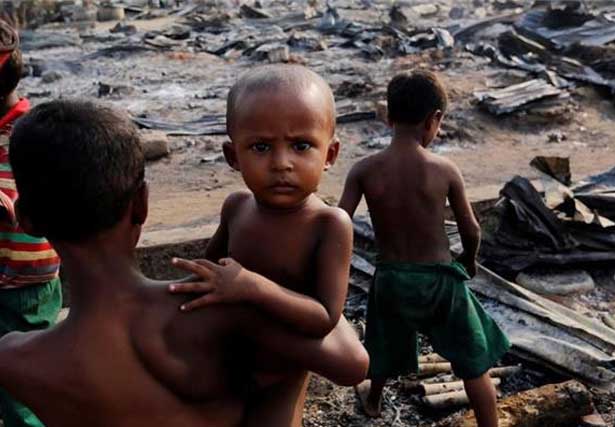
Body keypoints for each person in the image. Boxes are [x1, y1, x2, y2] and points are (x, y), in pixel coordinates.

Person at [0, 99, 368, 427]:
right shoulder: (215, 311)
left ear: (27, 221)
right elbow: (350, 363)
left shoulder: (16, 359)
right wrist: (275, 285)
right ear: (142, 204)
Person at [168, 64, 353, 426]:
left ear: (329, 155)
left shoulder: (329, 225)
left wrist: (253, 287)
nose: (281, 163)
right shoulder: (236, 208)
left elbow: (323, 319)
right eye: (261, 147)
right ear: (233, 156)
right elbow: (210, 277)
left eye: (301, 146)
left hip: (282, 372)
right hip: (231, 361)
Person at [338, 70, 510, 427]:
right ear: (435, 120)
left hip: (391, 279)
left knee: (382, 346)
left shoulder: (364, 170)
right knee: (473, 361)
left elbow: (338, 223)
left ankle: (372, 399)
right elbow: (470, 229)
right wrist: (468, 261)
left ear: (387, 115)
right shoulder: (444, 169)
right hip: (439, 283)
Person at [0, 21, 62, 427]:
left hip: (28, 283)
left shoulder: (35, 131)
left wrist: (9, 205)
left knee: (24, 387)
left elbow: (58, 199)